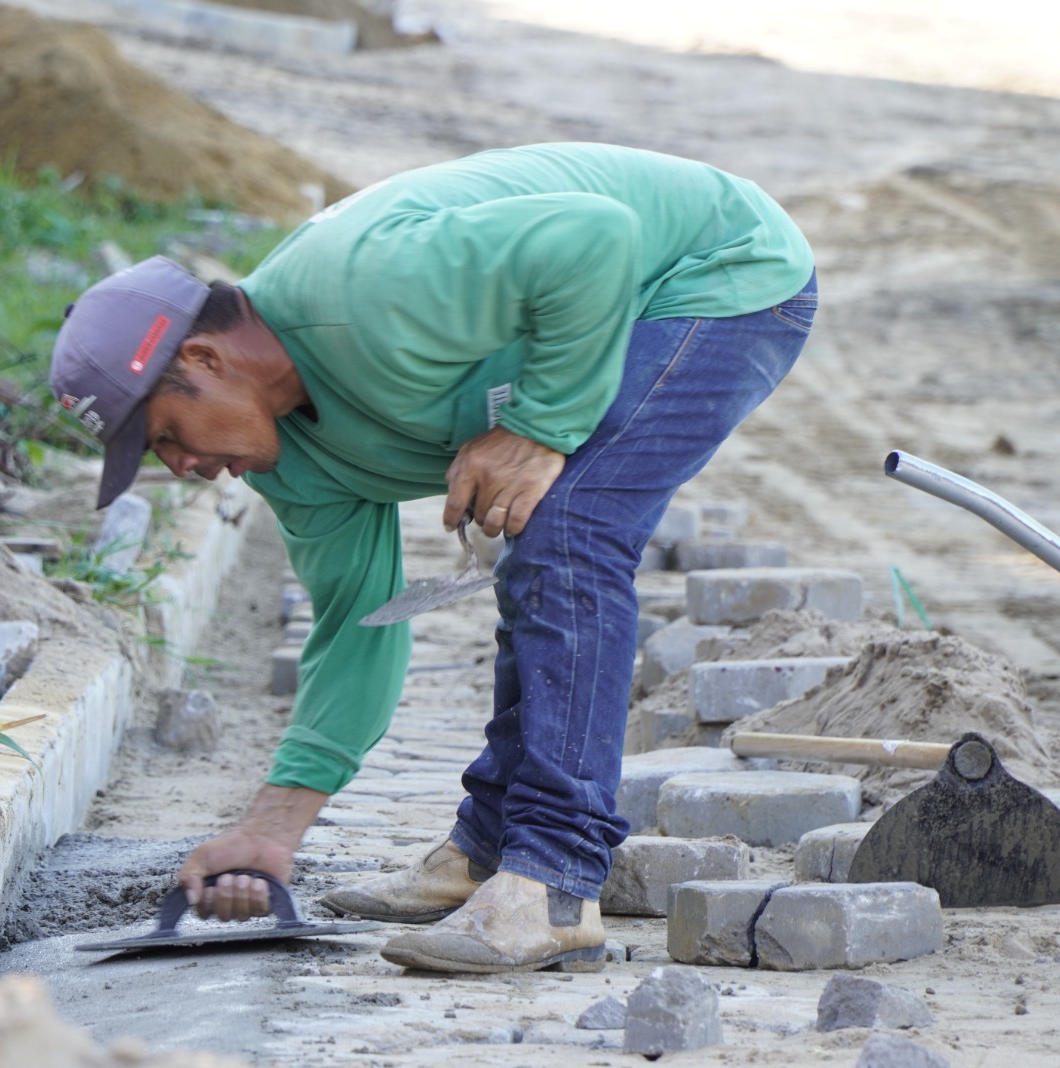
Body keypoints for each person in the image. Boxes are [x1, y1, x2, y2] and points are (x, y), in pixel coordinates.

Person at [48, 142, 816, 973]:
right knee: (543, 540)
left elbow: (596, 236)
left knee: (568, 529)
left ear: (203, 358)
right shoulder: (292, 465)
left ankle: (555, 881)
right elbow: (355, 628)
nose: (182, 468)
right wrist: (272, 828)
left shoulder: (367, 292)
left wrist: (537, 428)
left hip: (716, 272)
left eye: (165, 436)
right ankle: (487, 850)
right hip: (625, 295)